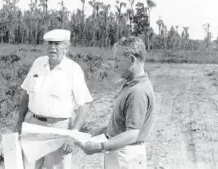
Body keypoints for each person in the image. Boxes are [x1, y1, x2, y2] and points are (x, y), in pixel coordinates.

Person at [14, 29, 93, 169]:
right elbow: (26, 93)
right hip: (33, 125)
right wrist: (19, 122)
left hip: (59, 128)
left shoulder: (73, 69)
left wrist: (72, 134)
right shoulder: (38, 63)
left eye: (57, 44)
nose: (52, 47)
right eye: (50, 43)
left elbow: (85, 104)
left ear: (66, 47)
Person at [78, 36, 155, 169]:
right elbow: (122, 126)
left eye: (118, 60)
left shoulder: (138, 91)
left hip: (126, 157)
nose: (115, 65)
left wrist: (99, 146)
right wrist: (96, 132)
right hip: (122, 154)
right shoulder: (132, 85)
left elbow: (132, 134)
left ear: (132, 59)